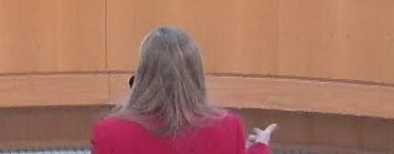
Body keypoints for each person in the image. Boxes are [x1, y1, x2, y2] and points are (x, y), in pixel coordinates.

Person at [91, 26, 276, 154]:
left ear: (143, 75)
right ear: (196, 76)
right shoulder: (228, 127)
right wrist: (258, 148)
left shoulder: (108, 131)